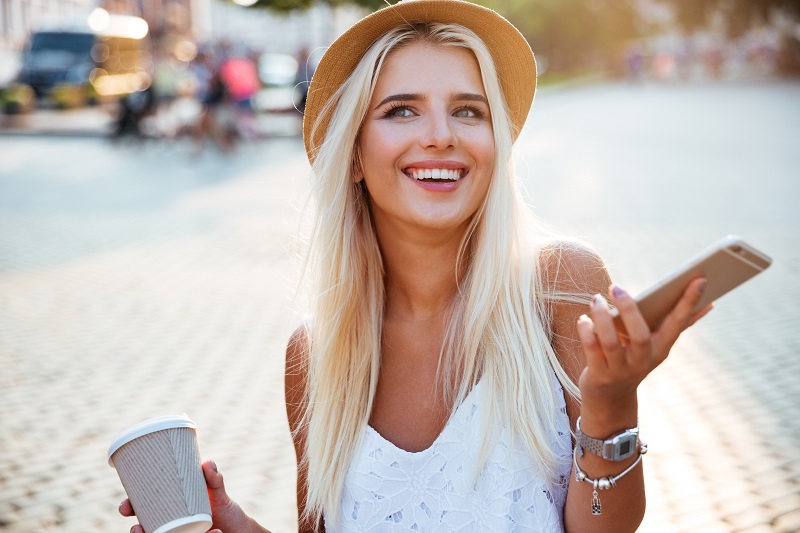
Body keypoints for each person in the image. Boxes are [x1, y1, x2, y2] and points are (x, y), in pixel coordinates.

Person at [119, 0, 712, 531]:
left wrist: (611, 404)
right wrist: (236, 528)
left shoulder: (561, 284)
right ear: (353, 154)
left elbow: (605, 530)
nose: (440, 136)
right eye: (402, 111)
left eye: (469, 111)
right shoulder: (316, 357)